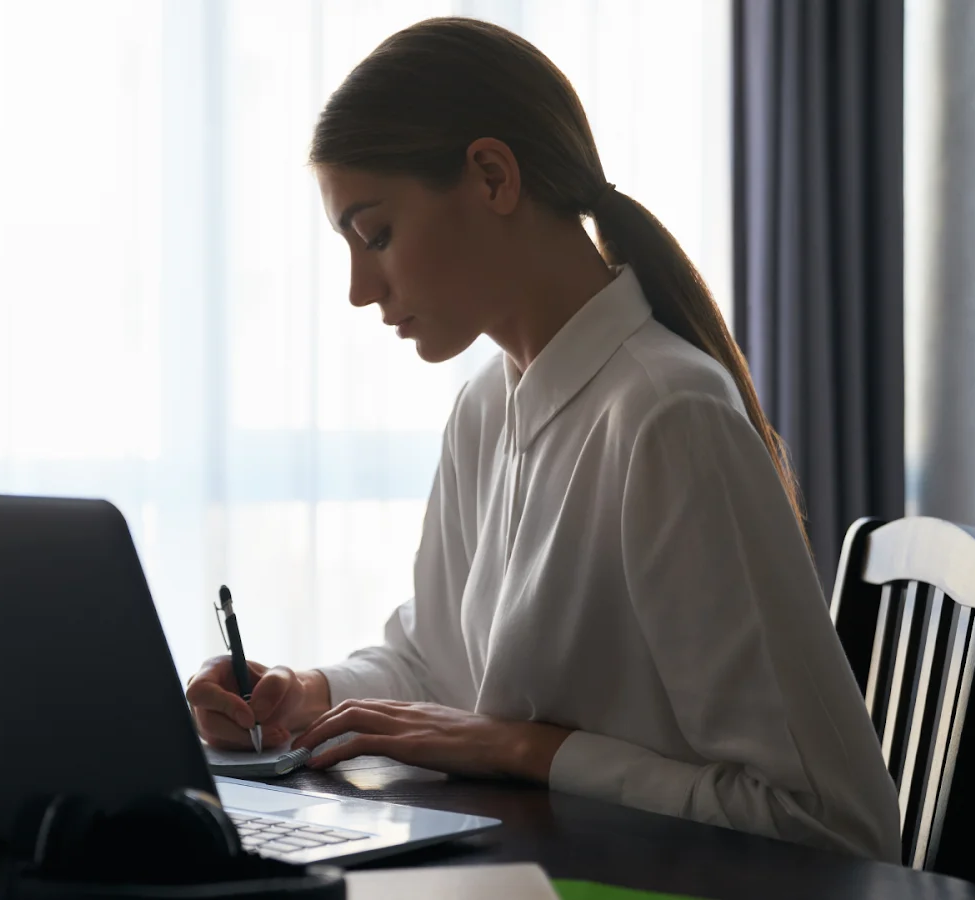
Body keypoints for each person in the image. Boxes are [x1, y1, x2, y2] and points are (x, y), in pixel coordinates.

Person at [184, 17, 901, 862]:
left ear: (492, 176)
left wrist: (525, 749)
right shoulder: (489, 406)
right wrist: (302, 697)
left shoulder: (668, 417)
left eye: (375, 234)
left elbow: (830, 823)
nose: (357, 288)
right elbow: (438, 661)